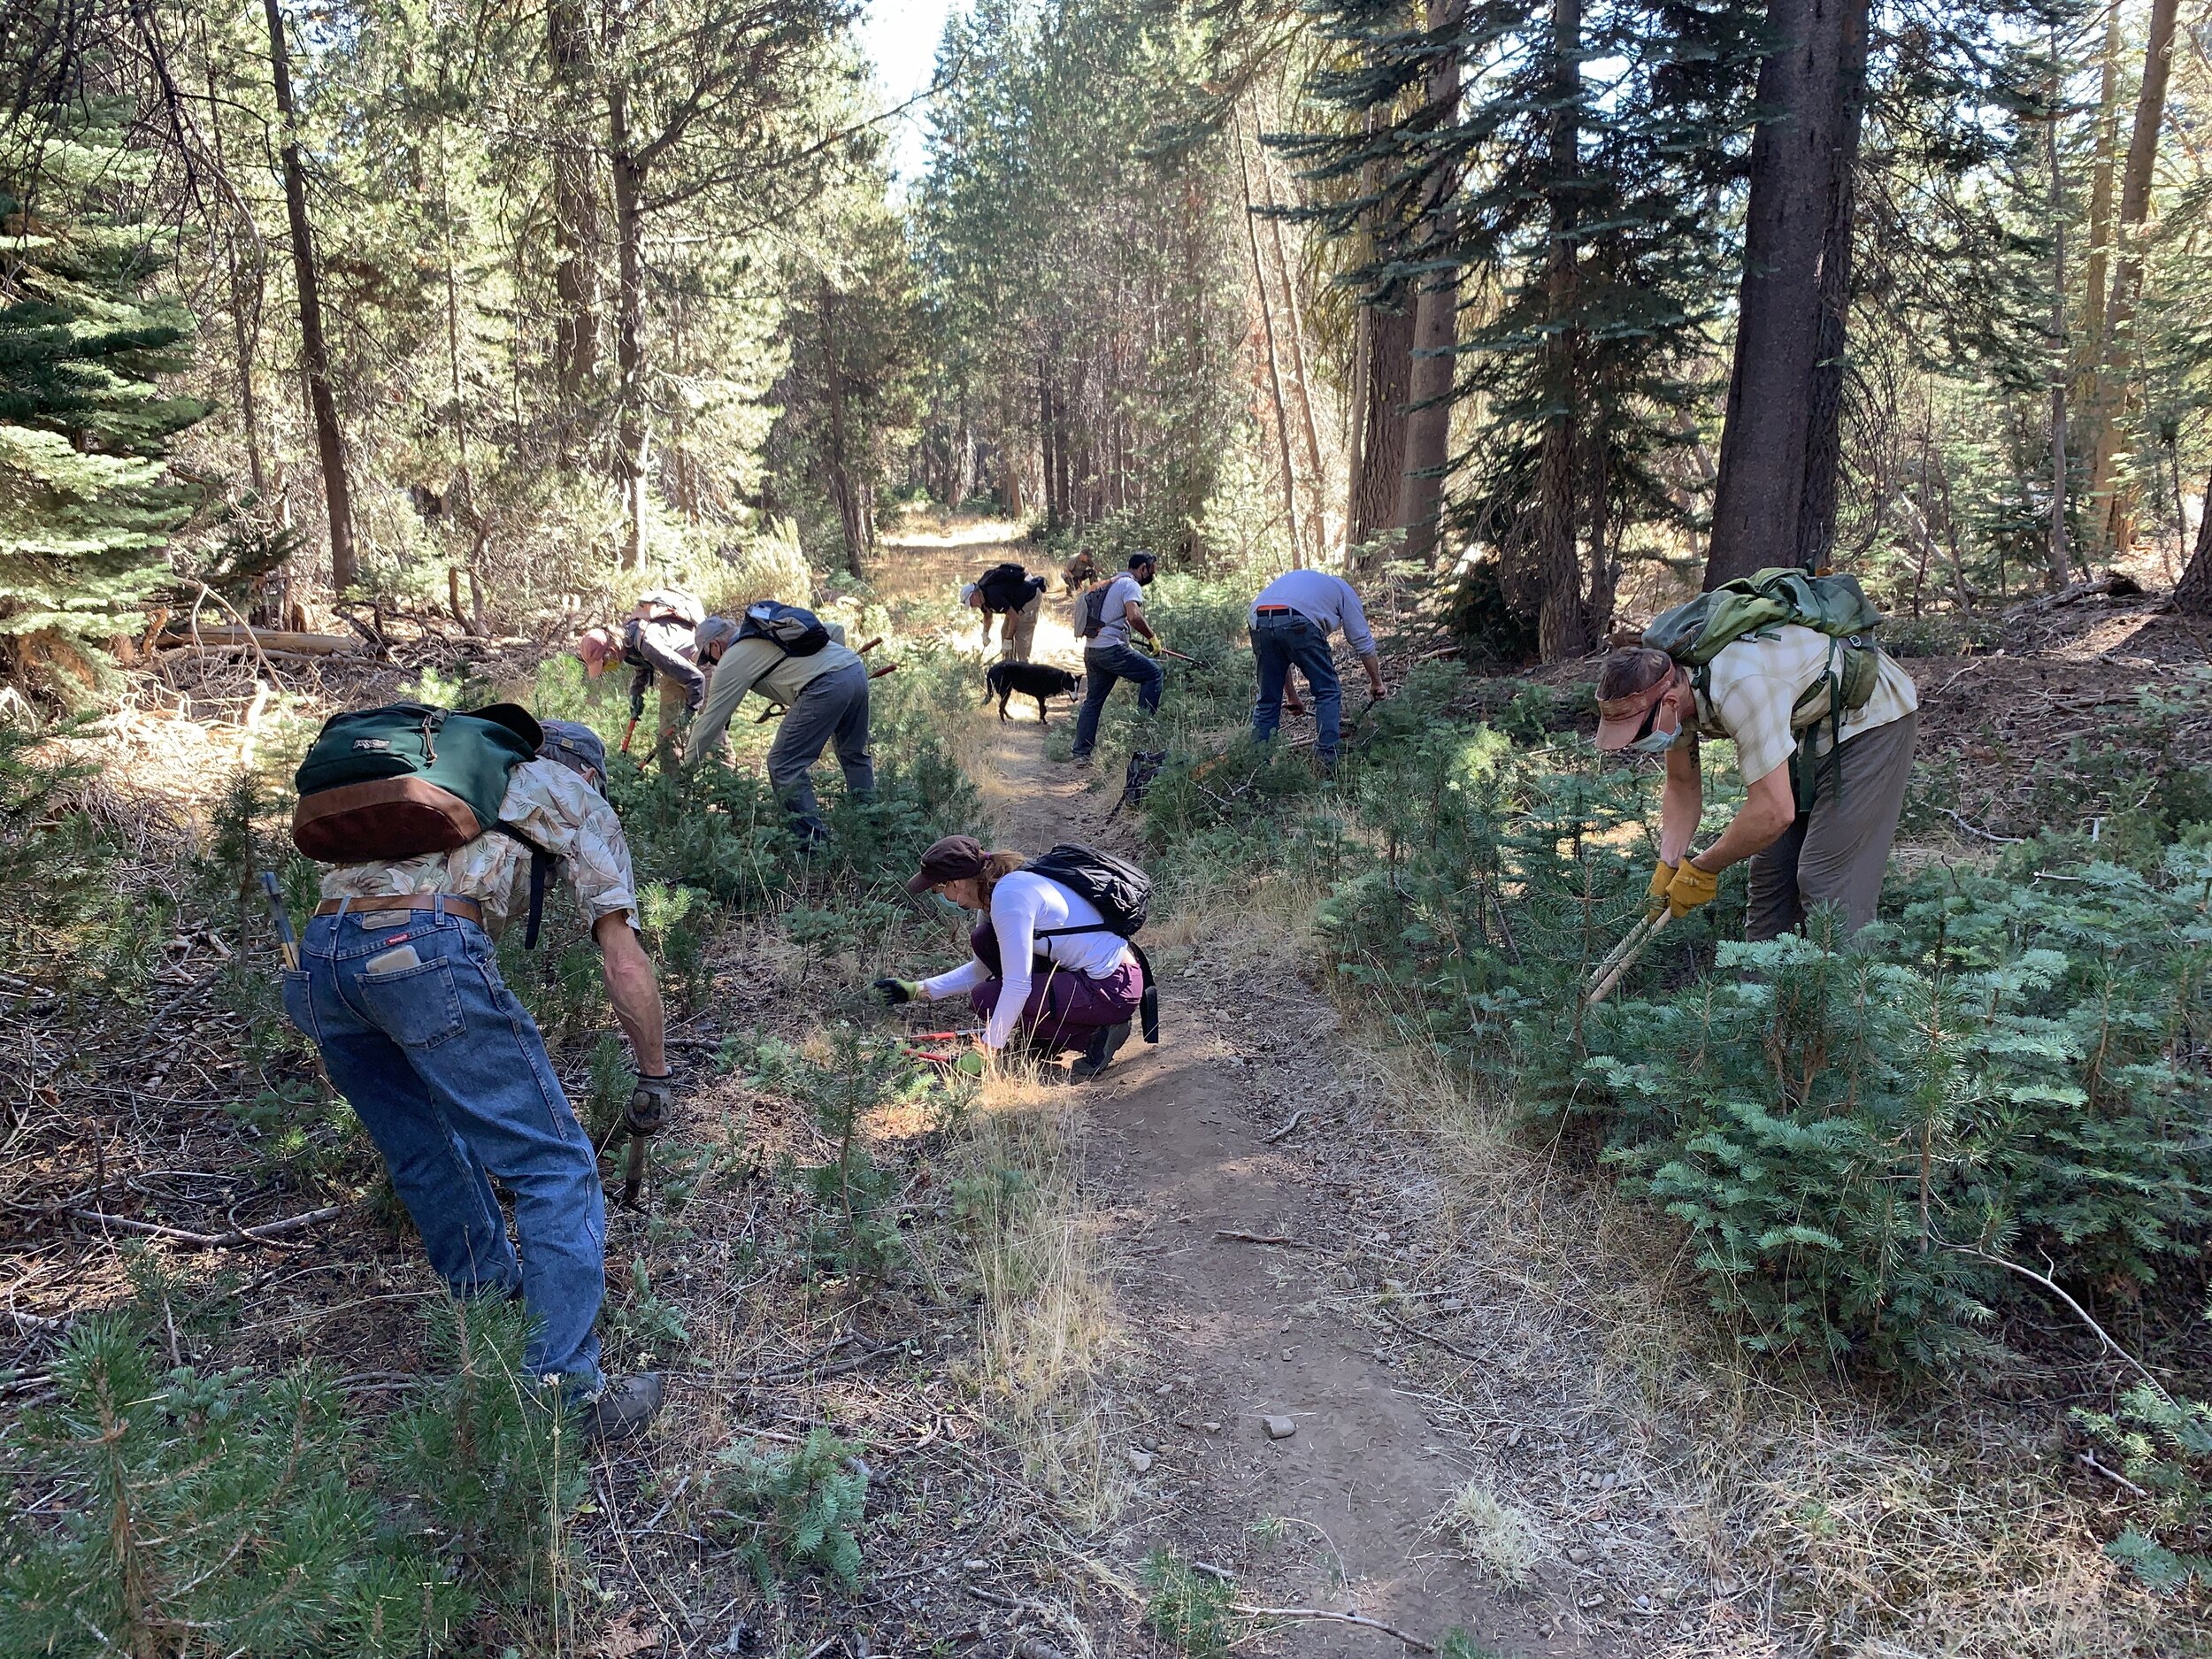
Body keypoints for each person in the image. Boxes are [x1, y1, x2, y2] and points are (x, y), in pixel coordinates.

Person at [286, 710, 668, 1441]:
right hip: (421, 949)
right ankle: (563, 1395)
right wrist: (655, 1070)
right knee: (554, 1165)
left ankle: (494, 1327)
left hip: (320, 961)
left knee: (428, 1154)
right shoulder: (569, 790)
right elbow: (623, 959)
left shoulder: (448, 775)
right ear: (589, 771)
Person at [1593, 631, 1920, 941]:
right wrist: (1670, 863)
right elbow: (1681, 784)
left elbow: (1774, 812)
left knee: (1827, 879)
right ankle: (1760, 981)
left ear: (1670, 703)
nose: (1638, 743)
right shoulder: (1676, 688)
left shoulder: (1740, 687)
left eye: (1639, 732)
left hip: (1871, 720)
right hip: (1803, 727)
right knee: (1770, 875)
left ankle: (1846, 980)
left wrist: (1703, 869)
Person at [875, 835, 1141, 1081]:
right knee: (984, 939)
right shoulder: (995, 895)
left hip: (1112, 987)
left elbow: (1017, 985)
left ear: (956, 883)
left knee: (986, 998)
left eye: (937, 890)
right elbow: (981, 972)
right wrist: (916, 990)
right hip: (1098, 979)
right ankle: (1045, 1036)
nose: (943, 898)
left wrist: (986, 1053)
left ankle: (1094, 1037)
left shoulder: (1009, 897)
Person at [689, 607, 873, 844]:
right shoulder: (767, 631)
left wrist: (684, 771)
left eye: (708, 657)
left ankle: (813, 846)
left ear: (715, 645)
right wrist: (833, 675)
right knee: (854, 755)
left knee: (783, 764)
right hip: (854, 669)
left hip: (824, 686)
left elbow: (709, 722)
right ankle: (872, 827)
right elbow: (835, 630)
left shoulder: (732, 658)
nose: (712, 663)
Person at [1248, 568, 1387, 765]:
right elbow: (1362, 640)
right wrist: (1376, 682)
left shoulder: (1303, 584)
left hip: (1258, 617)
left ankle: (1255, 767)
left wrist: (1291, 696)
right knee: (1327, 691)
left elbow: (1280, 657)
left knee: (1267, 700)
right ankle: (1327, 763)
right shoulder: (1345, 591)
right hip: (1299, 618)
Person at [577, 588, 705, 762]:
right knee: (667, 737)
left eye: (604, 664)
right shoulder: (627, 640)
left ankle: (724, 771)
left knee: (711, 729)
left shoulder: (649, 644)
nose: (606, 669)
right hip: (675, 668)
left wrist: (690, 711)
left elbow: (696, 679)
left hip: (702, 660)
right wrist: (636, 692)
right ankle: (673, 778)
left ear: (611, 650)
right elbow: (642, 661)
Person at [1070, 550, 1164, 765]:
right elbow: (1134, 616)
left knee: (1093, 701)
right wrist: (1152, 637)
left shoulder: (1112, 582)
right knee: (1154, 674)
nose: (1153, 575)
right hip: (1110, 650)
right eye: (1152, 570)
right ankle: (1143, 738)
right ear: (1143, 568)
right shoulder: (1131, 585)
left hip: (1092, 650)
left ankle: (1081, 754)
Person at [963, 563, 1048, 663]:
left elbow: (1014, 618)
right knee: (1005, 631)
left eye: (971, 604)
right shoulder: (982, 595)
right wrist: (985, 633)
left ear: (974, 595)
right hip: (1015, 604)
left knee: (1021, 636)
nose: (972, 607)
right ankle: (1009, 664)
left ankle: (1023, 664)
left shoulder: (994, 595)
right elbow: (987, 614)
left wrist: (1008, 640)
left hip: (1030, 599)